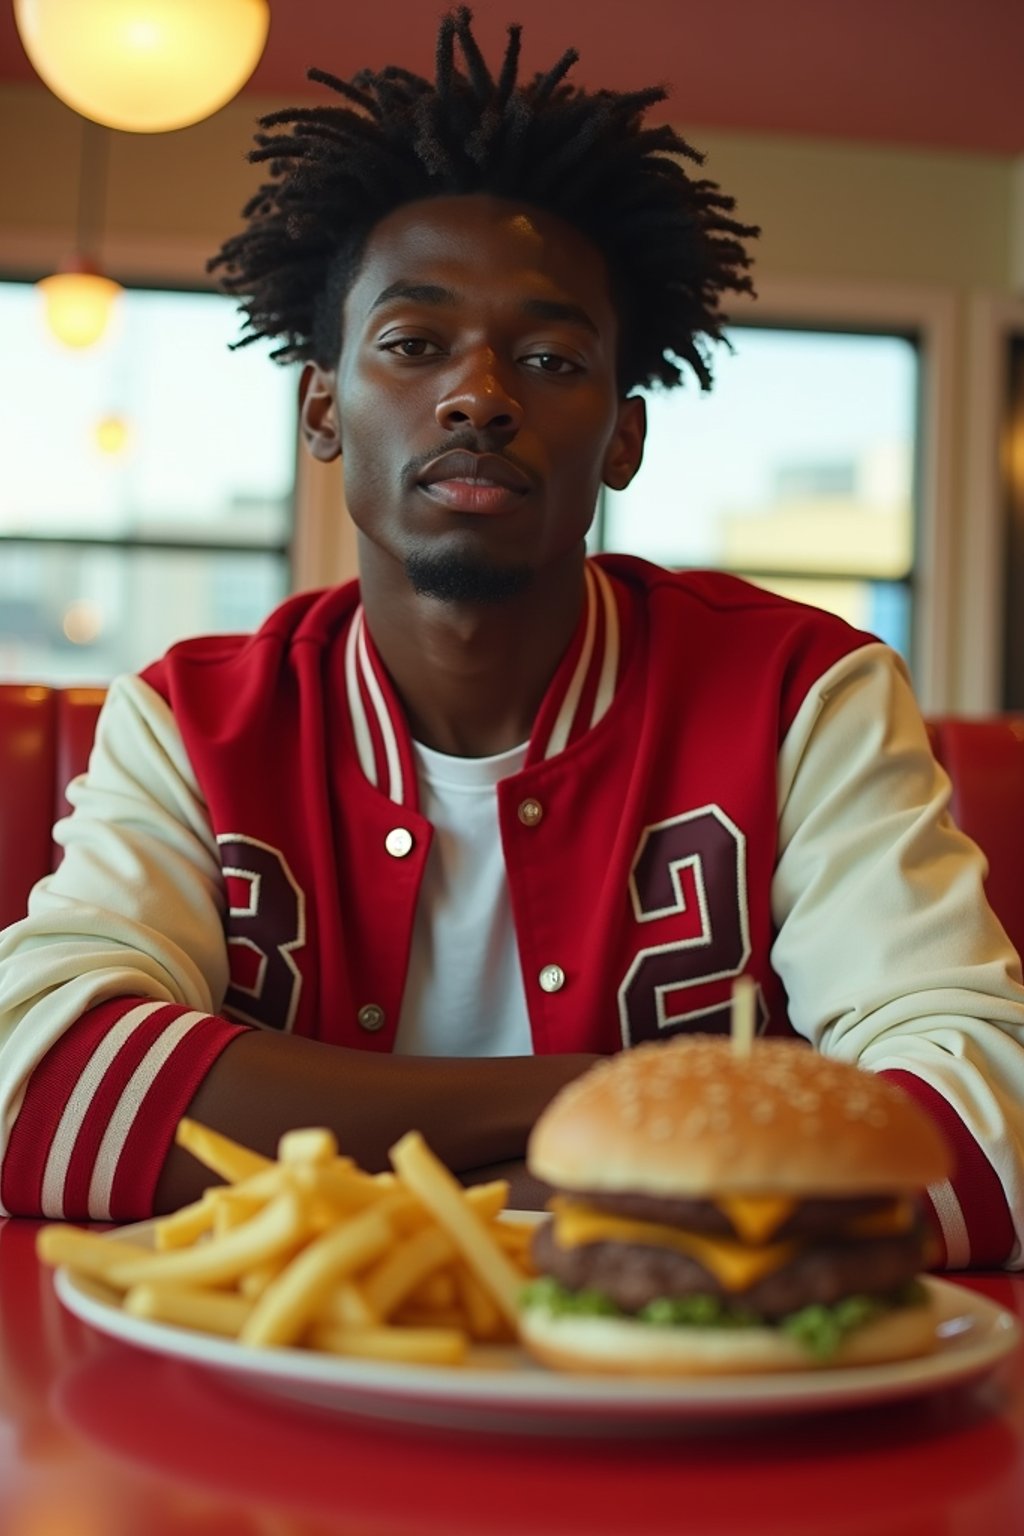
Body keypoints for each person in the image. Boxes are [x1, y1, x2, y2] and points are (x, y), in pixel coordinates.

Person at [0, 9, 1022, 1267]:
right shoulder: (191, 720)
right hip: (269, 1419)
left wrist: (349, 1150)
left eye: (548, 355)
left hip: (685, 1423)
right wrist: (597, 1103)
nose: (479, 394)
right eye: (413, 344)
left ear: (625, 439)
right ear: (324, 409)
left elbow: (989, 1119)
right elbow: (34, 1080)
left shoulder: (804, 693)